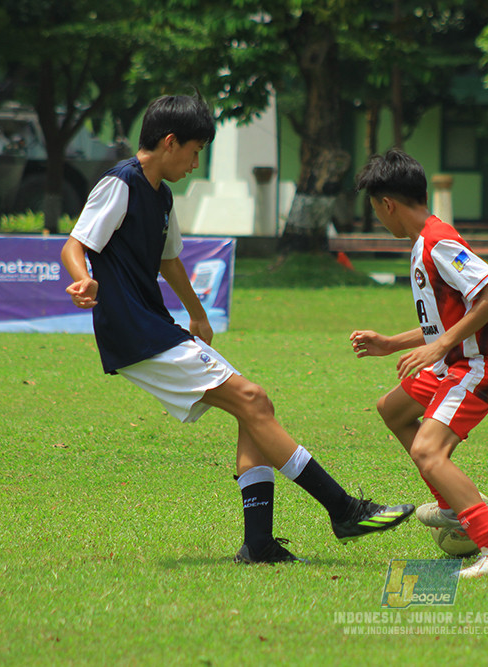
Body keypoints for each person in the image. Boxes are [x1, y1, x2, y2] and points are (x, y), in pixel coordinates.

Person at [60, 95, 413, 565]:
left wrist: (197, 313)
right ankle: (343, 509)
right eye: (194, 150)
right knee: (250, 399)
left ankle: (260, 544)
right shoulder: (119, 184)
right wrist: (82, 278)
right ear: (169, 142)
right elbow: (75, 244)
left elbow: (168, 259)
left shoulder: (162, 194)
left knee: (255, 404)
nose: (195, 161)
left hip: (153, 324)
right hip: (132, 328)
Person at [350, 148, 488, 579]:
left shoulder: (439, 241)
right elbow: (445, 321)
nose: (379, 219)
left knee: (429, 452)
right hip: (457, 358)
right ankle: (452, 508)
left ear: (387, 204)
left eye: (377, 210)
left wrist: (440, 347)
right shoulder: (422, 245)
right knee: (393, 408)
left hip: (482, 363)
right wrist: (393, 343)